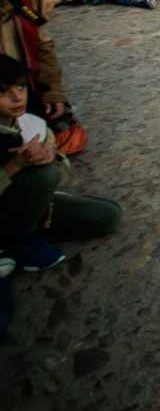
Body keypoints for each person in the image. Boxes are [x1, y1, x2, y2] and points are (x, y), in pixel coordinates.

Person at [0, 56, 120, 275]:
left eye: (21, 87)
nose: (17, 97)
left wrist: (50, 154)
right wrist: (15, 165)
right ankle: (17, 244)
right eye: (3, 92)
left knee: (108, 216)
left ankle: (19, 239)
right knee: (43, 176)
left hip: (24, 206)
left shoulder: (29, 123)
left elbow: (57, 164)